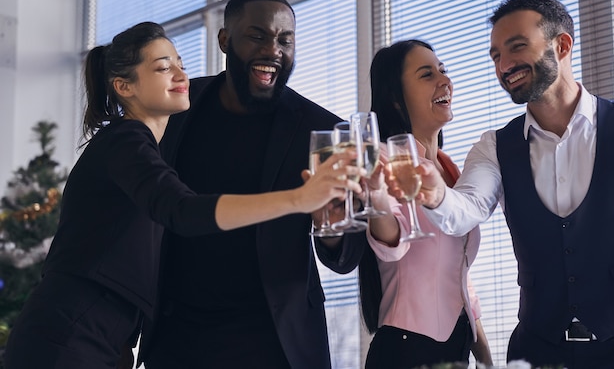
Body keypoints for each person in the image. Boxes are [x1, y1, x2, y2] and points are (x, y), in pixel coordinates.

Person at [3, 21, 362, 369]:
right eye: (163, 68)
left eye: (181, 64)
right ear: (124, 87)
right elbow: (182, 210)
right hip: (69, 333)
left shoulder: (141, 146)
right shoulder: (126, 140)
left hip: (102, 335)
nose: (180, 75)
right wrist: (300, 198)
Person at [141, 0, 367, 369]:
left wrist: (330, 226)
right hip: (177, 334)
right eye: (258, 36)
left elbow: (346, 257)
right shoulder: (178, 107)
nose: (273, 49)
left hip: (275, 339)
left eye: (285, 40)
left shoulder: (323, 129)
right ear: (225, 40)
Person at [417, 0, 614, 368]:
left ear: (561, 46)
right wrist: (434, 193)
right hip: (535, 351)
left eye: (516, 47)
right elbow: (465, 209)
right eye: (496, 55)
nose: (504, 65)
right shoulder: (495, 146)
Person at [356, 39, 493, 368]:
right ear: (395, 98)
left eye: (443, 71)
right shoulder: (384, 161)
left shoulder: (451, 171)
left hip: (458, 347)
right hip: (407, 349)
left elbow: (459, 277)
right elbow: (392, 243)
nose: (444, 80)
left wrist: (487, 360)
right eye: (426, 74)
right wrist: (376, 195)